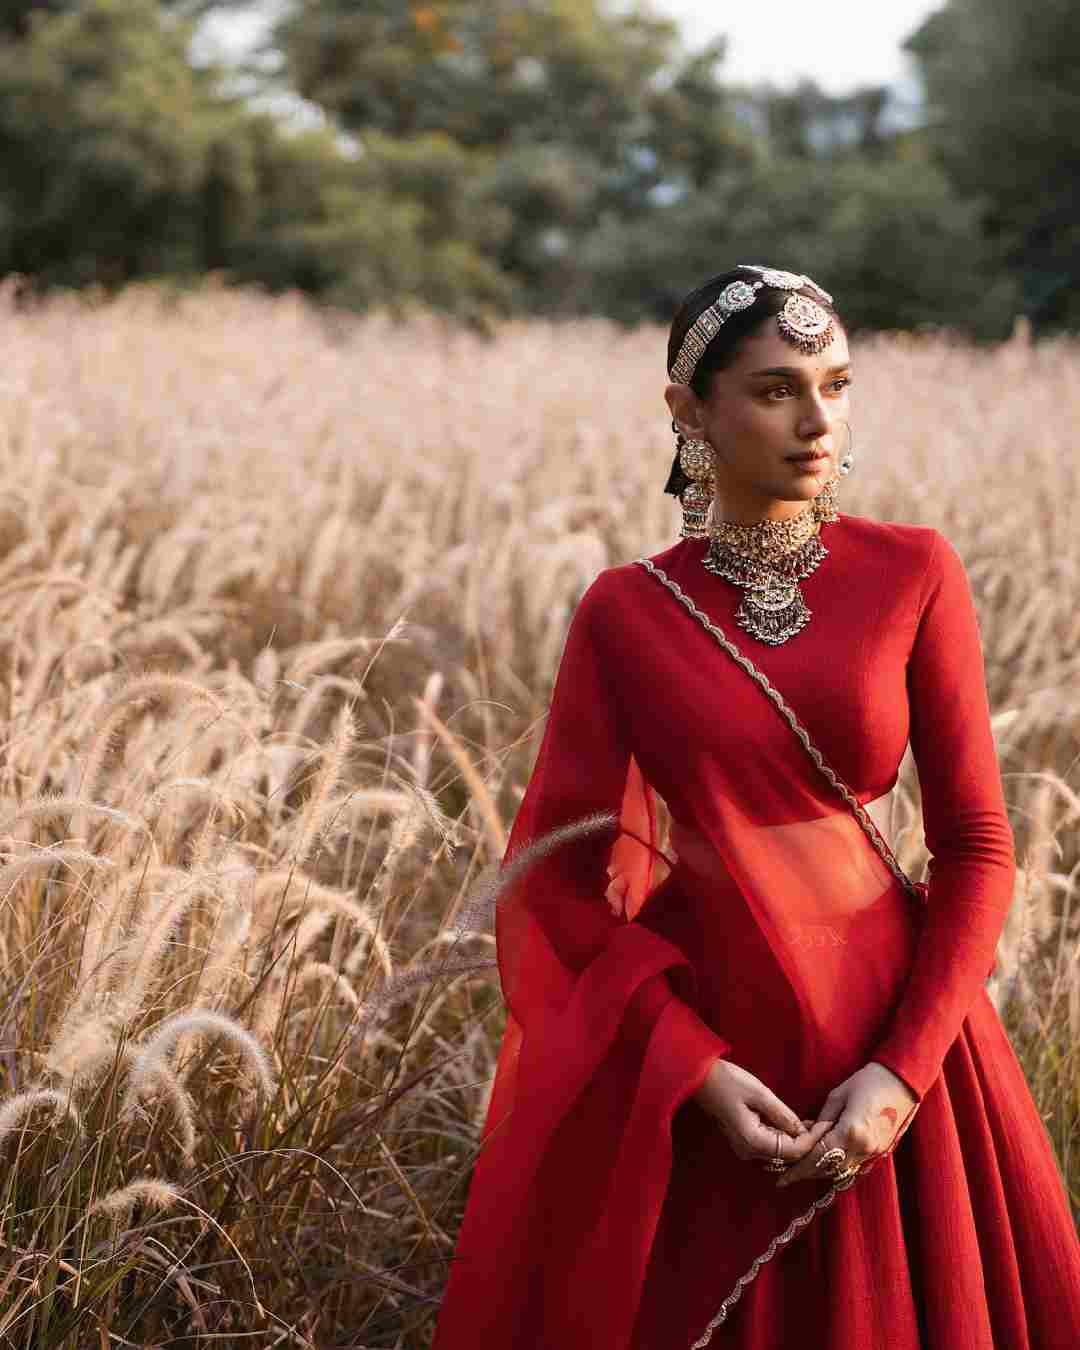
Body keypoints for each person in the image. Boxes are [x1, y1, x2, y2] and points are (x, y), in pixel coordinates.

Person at [430, 266, 1080, 1350]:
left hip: (901, 1045)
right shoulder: (628, 612)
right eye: (777, 390)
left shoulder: (912, 572)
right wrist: (686, 1066)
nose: (818, 420)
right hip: (724, 1066)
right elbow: (558, 880)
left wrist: (901, 1073)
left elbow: (975, 845)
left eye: (837, 383)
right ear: (689, 411)